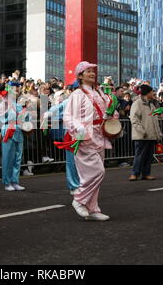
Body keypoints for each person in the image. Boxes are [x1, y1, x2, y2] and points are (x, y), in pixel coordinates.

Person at [63, 61, 115, 221]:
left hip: (100, 136)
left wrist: (113, 118)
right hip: (85, 138)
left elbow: (109, 111)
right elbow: (68, 116)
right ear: (80, 76)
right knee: (97, 172)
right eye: (88, 71)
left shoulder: (99, 93)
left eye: (93, 71)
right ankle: (79, 199)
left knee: (94, 174)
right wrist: (79, 129)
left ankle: (92, 209)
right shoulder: (77, 94)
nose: (92, 74)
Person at [0, 81, 27, 191]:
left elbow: (23, 119)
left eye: (17, 88)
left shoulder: (18, 104)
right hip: (8, 130)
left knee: (17, 158)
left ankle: (15, 181)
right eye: (14, 88)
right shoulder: (2, 104)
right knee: (8, 158)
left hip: (18, 130)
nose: (17, 90)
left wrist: (25, 111)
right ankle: (7, 182)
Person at [129, 84, 163, 181]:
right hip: (142, 135)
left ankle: (146, 174)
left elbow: (155, 121)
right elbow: (134, 119)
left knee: (148, 156)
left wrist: (158, 134)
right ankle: (134, 173)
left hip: (151, 135)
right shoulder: (137, 103)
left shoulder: (151, 104)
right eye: (152, 92)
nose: (153, 93)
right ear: (147, 93)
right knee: (139, 155)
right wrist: (142, 131)